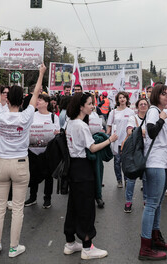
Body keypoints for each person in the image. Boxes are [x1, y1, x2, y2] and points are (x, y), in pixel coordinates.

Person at [0, 62, 45, 258]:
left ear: (7, 100)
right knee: (18, 208)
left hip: (2, 163)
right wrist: (41, 74)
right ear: (22, 100)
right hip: (21, 163)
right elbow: (37, 93)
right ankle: (14, 247)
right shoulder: (26, 115)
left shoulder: (0, 114)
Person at [63, 92, 117, 260]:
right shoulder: (80, 125)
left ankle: (70, 242)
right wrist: (110, 140)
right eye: (89, 103)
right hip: (82, 168)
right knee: (86, 207)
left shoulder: (69, 122)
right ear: (81, 106)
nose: (92, 106)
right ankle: (87, 246)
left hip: (73, 167)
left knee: (73, 205)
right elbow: (92, 148)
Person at [138, 84, 167, 260]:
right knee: (152, 204)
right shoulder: (154, 111)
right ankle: (145, 247)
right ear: (156, 96)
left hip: (164, 162)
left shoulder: (163, 111)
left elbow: (163, 137)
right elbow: (152, 132)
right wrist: (161, 117)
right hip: (155, 163)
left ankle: (155, 238)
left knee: (157, 203)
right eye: (163, 94)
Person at [25, 93, 59, 209]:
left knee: (48, 175)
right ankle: (32, 197)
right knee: (33, 175)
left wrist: (56, 133)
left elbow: (57, 132)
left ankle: (47, 198)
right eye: (37, 100)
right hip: (33, 150)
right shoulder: (32, 116)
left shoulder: (53, 117)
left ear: (47, 103)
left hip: (47, 151)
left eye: (40, 100)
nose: (38, 102)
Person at [124, 97, 149, 213]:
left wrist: (138, 131)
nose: (143, 106)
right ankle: (128, 202)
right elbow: (130, 131)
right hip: (135, 152)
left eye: (145, 104)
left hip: (147, 152)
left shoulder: (151, 118)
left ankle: (145, 201)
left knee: (145, 179)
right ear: (137, 107)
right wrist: (144, 132)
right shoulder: (132, 118)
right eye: (141, 104)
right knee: (131, 178)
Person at [107, 91, 135, 189]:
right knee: (117, 162)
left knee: (126, 162)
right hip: (116, 141)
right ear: (117, 100)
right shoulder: (113, 112)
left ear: (127, 99)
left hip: (127, 141)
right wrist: (108, 139)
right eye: (120, 98)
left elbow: (133, 126)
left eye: (124, 97)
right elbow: (109, 127)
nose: (122, 99)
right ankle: (119, 180)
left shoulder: (131, 112)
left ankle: (126, 179)